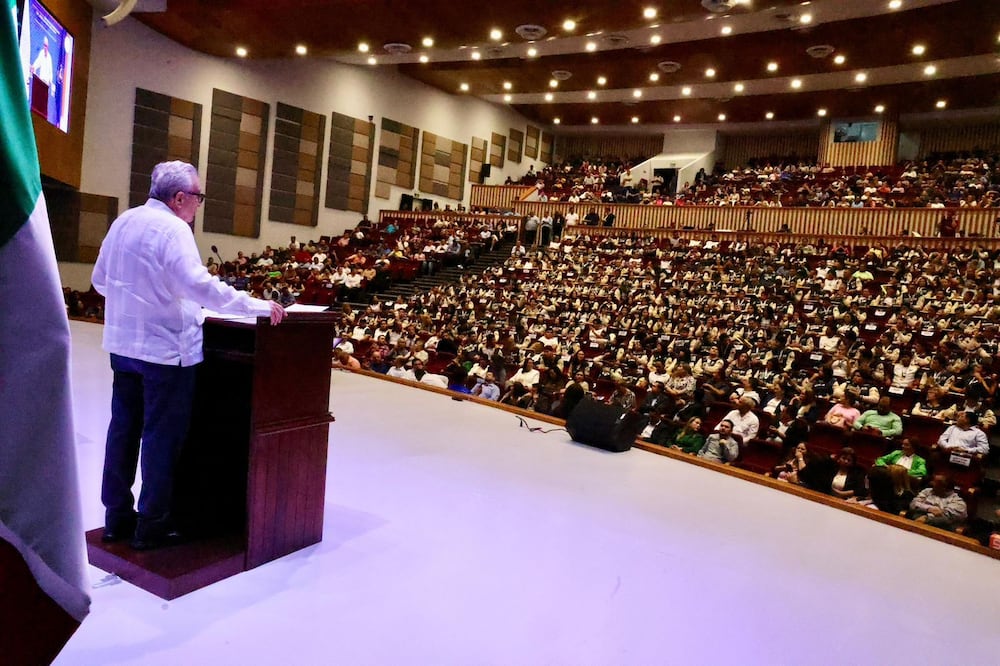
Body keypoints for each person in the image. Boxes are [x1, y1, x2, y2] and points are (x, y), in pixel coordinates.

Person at [92, 161, 286, 550]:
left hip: (124, 346)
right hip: (165, 352)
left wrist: (138, 302)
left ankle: (116, 519)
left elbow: (99, 281)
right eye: (198, 196)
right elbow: (200, 287)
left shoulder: (124, 222)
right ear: (179, 198)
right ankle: (152, 526)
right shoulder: (174, 229)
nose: (199, 204)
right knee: (161, 438)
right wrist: (256, 306)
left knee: (123, 431)